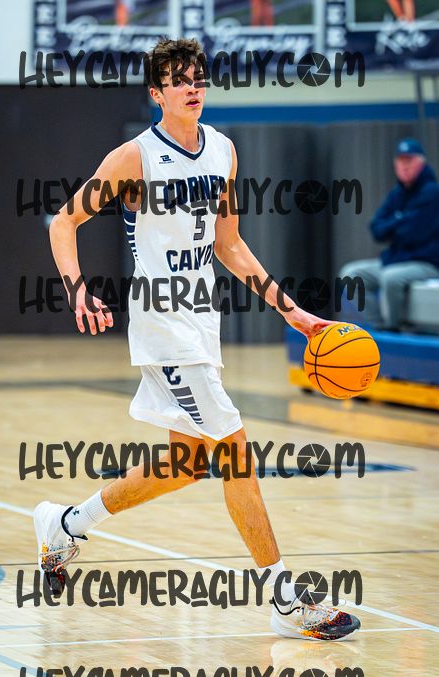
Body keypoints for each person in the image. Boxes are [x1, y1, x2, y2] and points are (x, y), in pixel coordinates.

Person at [34, 37, 360, 641]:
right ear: (156, 94)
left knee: (185, 464)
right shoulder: (134, 157)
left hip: (202, 322)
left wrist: (292, 311)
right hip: (162, 326)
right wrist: (77, 289)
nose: (193, 87)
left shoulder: (224, 151)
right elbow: (64, 221)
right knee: (235, 449)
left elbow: (229, 245)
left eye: (199, 77)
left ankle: (66, 524)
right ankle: (285, 600)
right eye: (180, 80)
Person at [340, 138, 439, 331]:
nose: (404, 166)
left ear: (421, 163)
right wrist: (401, 220)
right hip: (397, 259)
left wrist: (393, 222)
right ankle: (376, 329)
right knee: (351, 274)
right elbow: (376, 228)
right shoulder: (397, 193)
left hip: (427, 262)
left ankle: (395, 329)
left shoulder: (432, 193)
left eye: (409, 160)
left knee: (390, 277)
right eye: (400, 161)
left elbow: (414, 233)